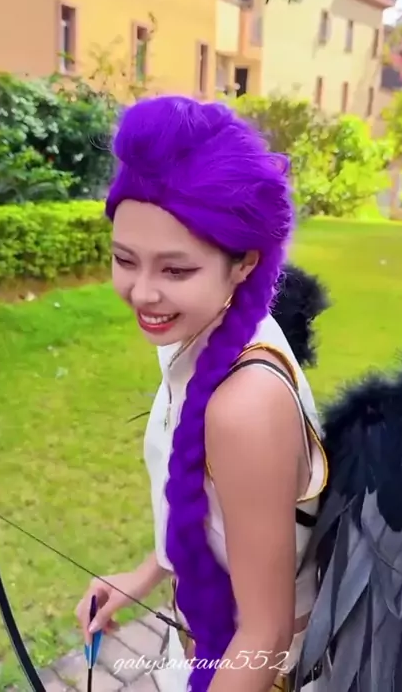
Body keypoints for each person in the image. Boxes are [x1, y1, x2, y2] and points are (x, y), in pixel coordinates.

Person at [76, 95, 327, 692]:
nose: (142, 293)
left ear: (243, 264)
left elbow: (264, 634)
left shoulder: (245, 405)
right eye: (124, 259)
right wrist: (142, 577)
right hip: (202, 643)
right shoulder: (197, 337)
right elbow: (212, 513)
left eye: (175, 270)